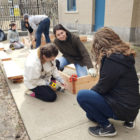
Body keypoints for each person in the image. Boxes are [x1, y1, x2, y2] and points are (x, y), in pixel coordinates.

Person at [77, 27, 140, 137]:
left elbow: (102, 87)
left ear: (99, 44)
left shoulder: (112, 59)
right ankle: (129, 121)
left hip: (123, 107)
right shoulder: (124, 55)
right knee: (90, 115)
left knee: (82, 96)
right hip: (133, 108)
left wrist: (90, 93)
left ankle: (107, 128)